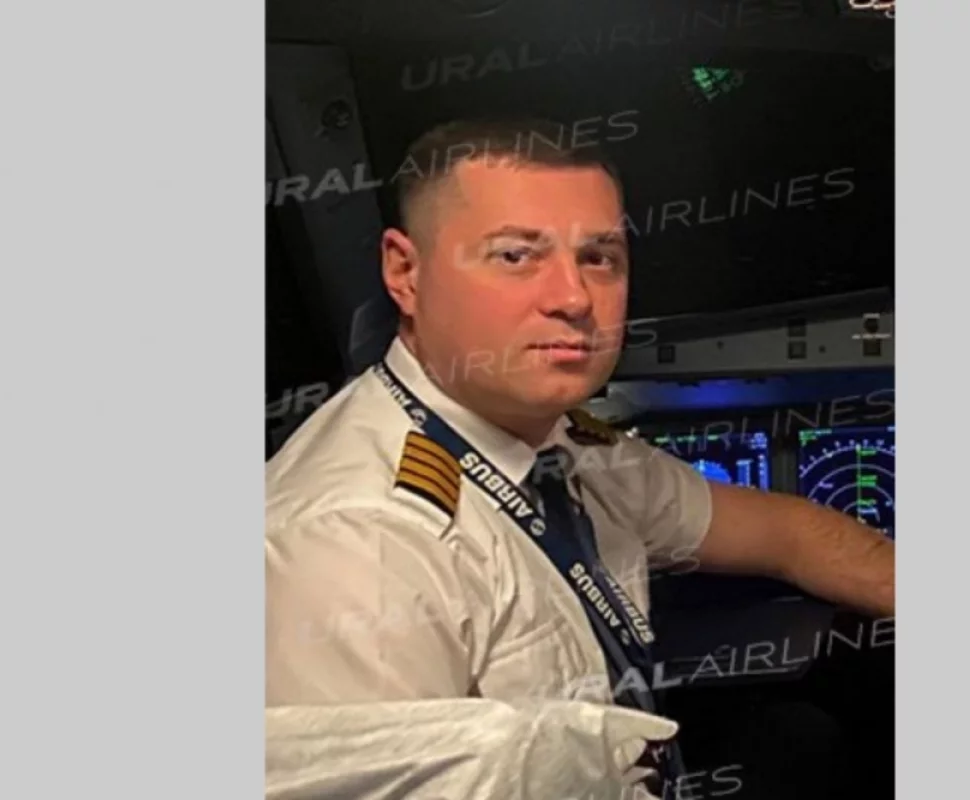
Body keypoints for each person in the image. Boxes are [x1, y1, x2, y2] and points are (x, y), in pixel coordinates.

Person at [265, 117, 895, 799]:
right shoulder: (357, 542)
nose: (573, 298)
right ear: (405, 272)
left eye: (599, 257)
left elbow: (787, 533)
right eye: (516, 256)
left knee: (804, 734)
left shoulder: (561, 444)